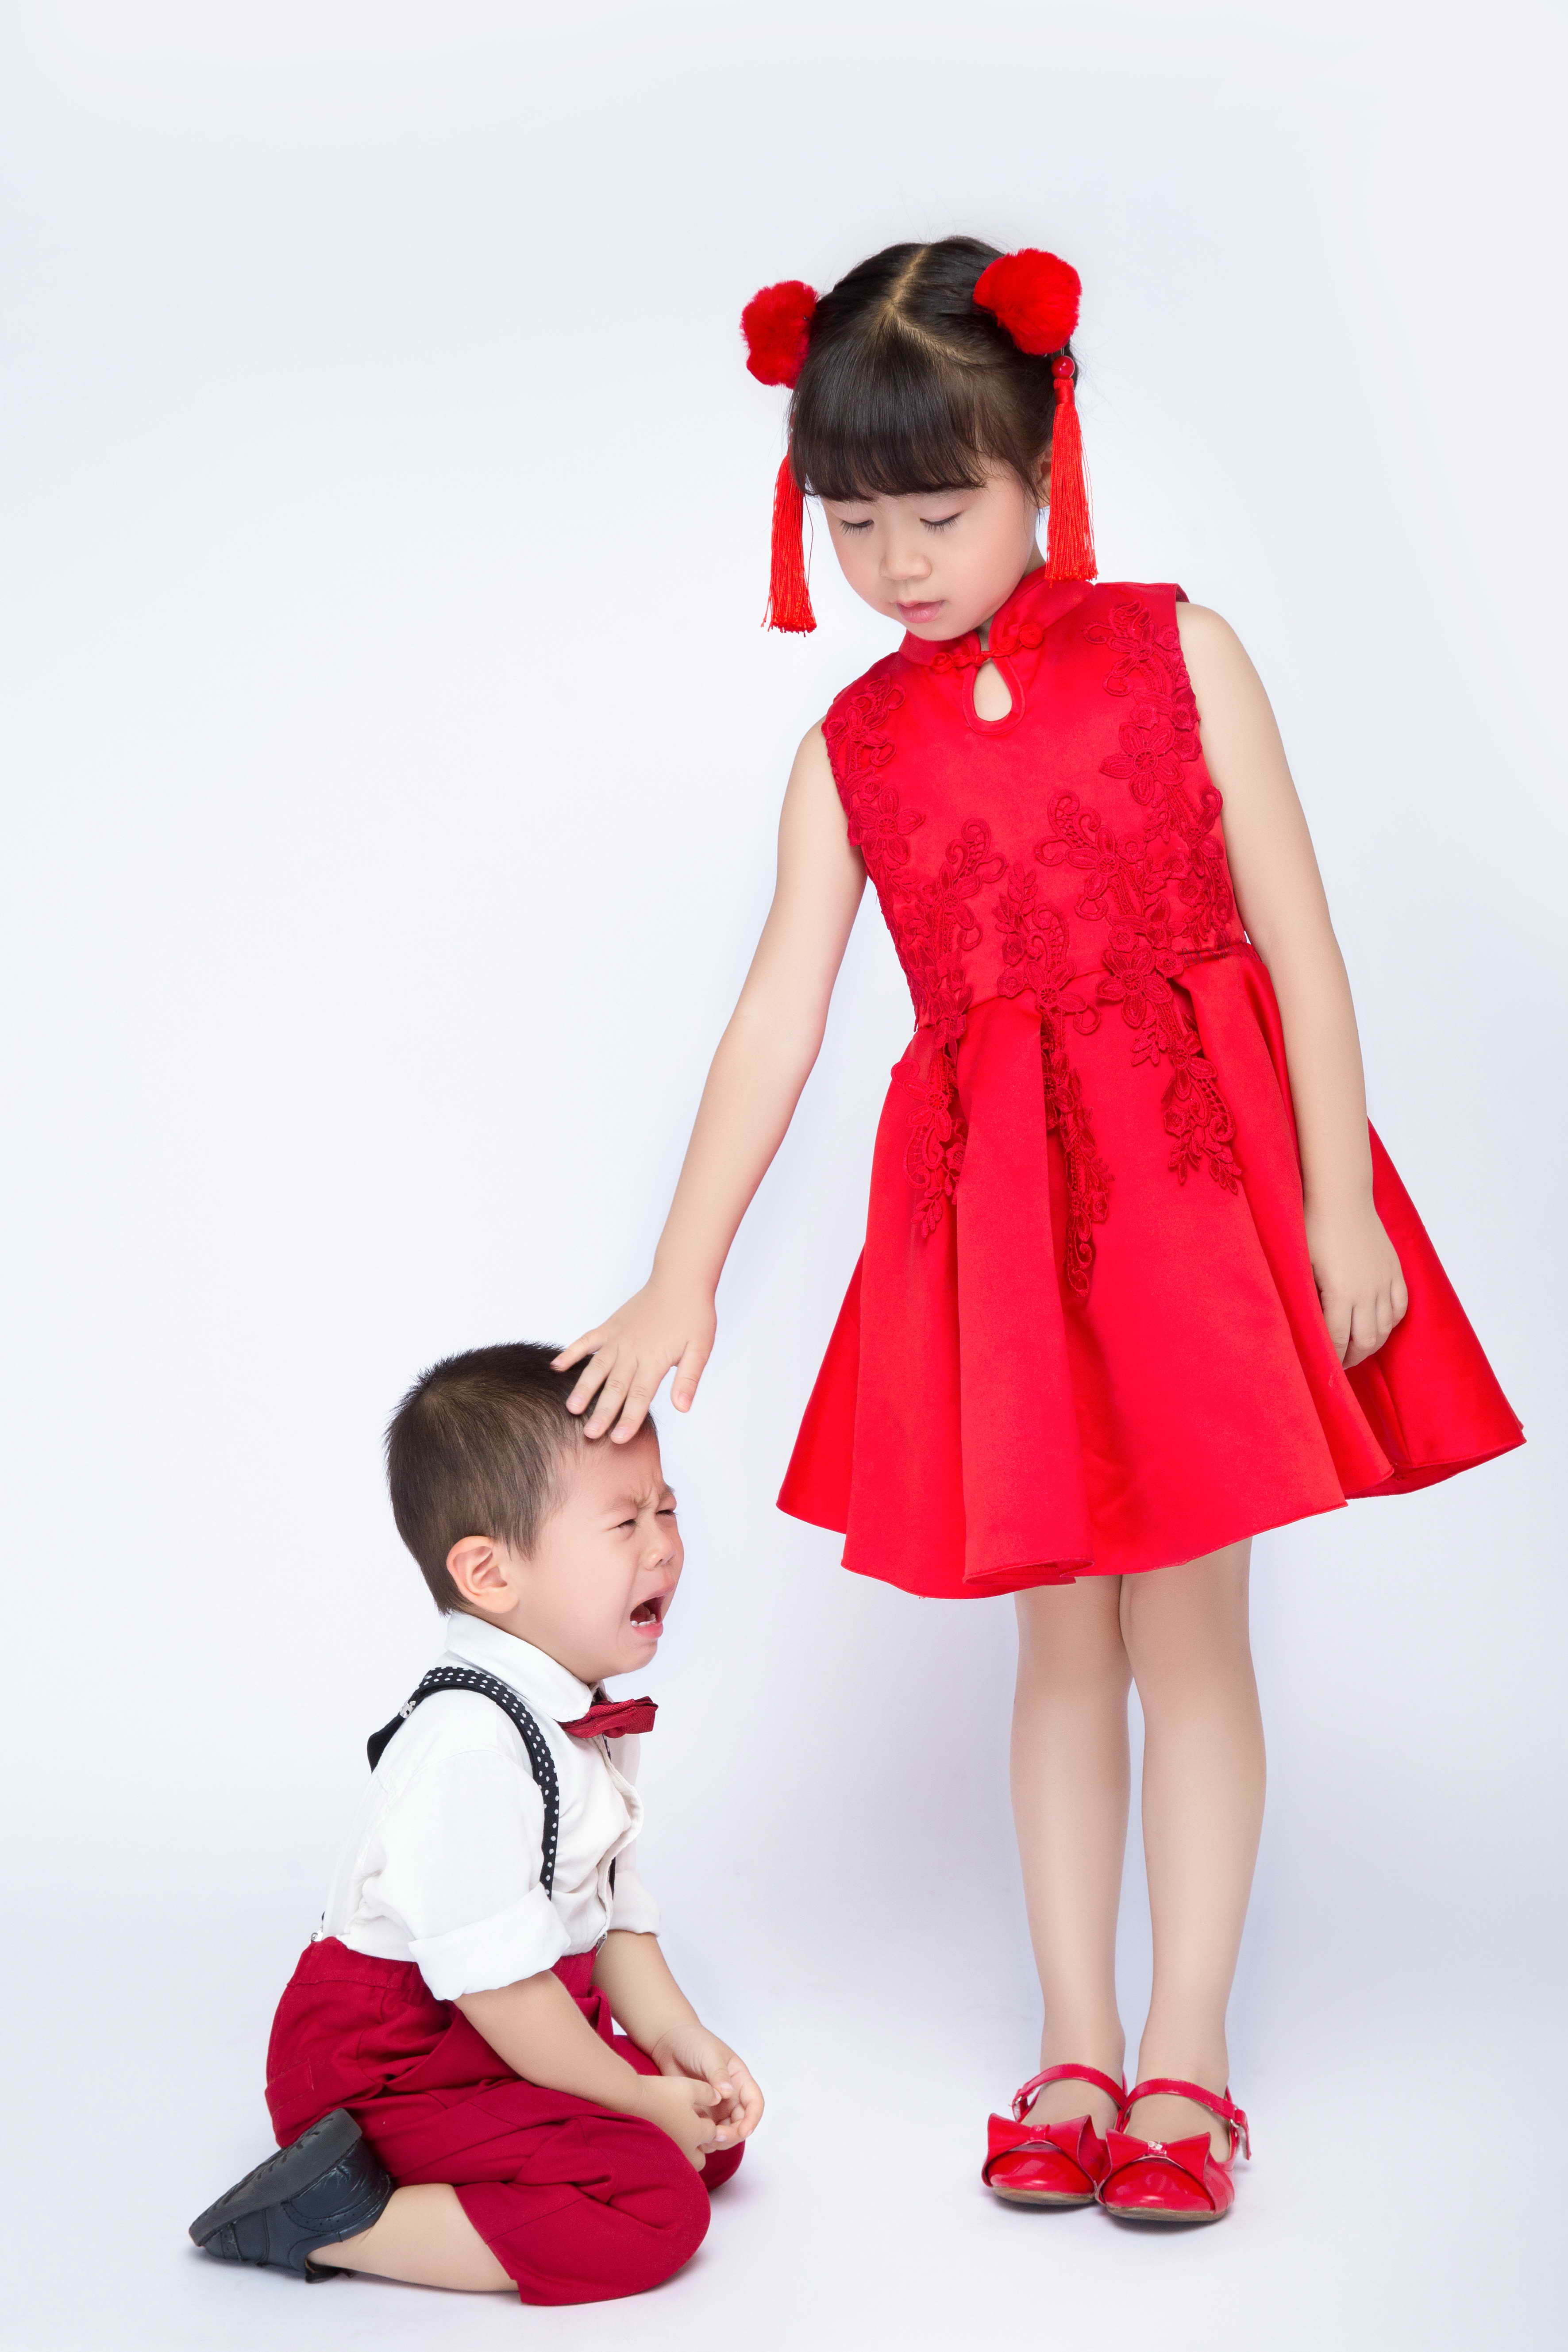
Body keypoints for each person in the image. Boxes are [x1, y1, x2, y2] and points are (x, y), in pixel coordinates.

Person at [551, 238, 1523, 2223]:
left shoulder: (1181, 653)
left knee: (1191, 1628)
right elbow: (777, 1015)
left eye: (939, 510)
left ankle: (1189, 2054)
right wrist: (680, 1270)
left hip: (1194, 1203)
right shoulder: (852, 751)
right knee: (1060, 1642)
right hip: (1001, 1232)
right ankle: (1075, 2042)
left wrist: (1338, 1198)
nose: (898, 560)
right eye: (852, 523)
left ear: (1041, 462)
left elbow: (1299, 938)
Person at [189, 1342, 760, 2301]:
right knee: (657, 2210)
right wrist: (632, 2098)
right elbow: (502, 1993)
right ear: (490, 1574)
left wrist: (678, 2041)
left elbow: (612, 1918)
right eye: (625, 1522)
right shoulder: (467, 1744)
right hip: (394, 2064)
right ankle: (332, 2217)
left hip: (499, 2028)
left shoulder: (578, 1710)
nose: (664, 1545)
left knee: (708, 2141)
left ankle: (488, 2171)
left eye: (666, 1509)